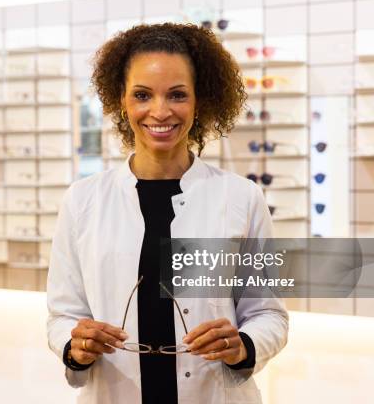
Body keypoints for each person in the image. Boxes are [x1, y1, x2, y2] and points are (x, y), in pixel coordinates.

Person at [47, 23, 288, 404]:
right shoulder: (83, 200)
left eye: (177, 95)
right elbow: (63, 314)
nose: (159, 111)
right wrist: (74, 346)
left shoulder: (240, 197)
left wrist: (243, 344)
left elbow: (269, 313)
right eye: (142, 95)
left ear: (199, 102)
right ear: (120, 101)